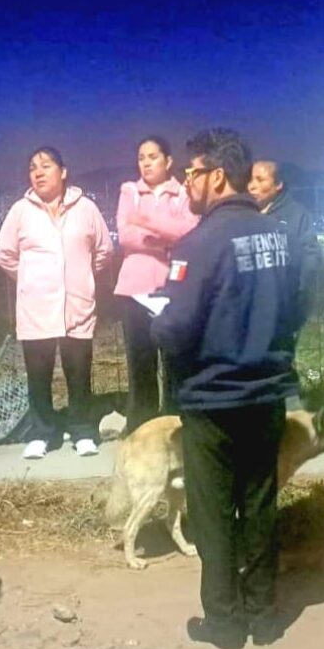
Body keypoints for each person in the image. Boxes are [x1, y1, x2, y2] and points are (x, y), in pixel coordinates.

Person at [150, 128, 302, 649]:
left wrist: (159, 318)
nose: (186, 183)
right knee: (259, 503)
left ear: (216, 176)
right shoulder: (281, 236)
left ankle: (224, 621)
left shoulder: (198, 243)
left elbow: (175, 329)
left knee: (213, 512)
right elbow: (298, 308)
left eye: (190, 172)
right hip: (267, 393)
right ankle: (264, 613)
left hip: (213, 400)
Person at [0, 148, 113, 460]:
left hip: (77, 305)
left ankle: (82, 431)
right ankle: (42, 433)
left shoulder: (86, 208)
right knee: (38, 374)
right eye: (33, 167)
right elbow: (4, 254)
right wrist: (30, 279)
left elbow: (104, 250)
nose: (38, 172)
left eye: (46, 166)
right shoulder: (21, 211)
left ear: (63, 171)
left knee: (78, 373)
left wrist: (83, 276)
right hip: (36, 307)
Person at [114, 136, 197, 432]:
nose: (146, 163)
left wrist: (146, 223)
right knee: (140, 361)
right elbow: (125, 235)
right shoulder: (129, 191)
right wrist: (164, 238)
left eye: (152, 157)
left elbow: (187, 232)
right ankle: (142, 425)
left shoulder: (182, 193)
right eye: (141, 157)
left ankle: (175, 424)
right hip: (133, 288)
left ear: (168, 161)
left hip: (172, 286)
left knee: (174, 358)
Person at [249, 159, 321, 331]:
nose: (252, 186)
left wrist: (297, 292)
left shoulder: (297, 215)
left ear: (278, 184)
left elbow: (310, 256)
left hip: (285, 306)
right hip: (250, 306)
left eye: (260, 180)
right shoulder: (245, 214)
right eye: (250, 179)